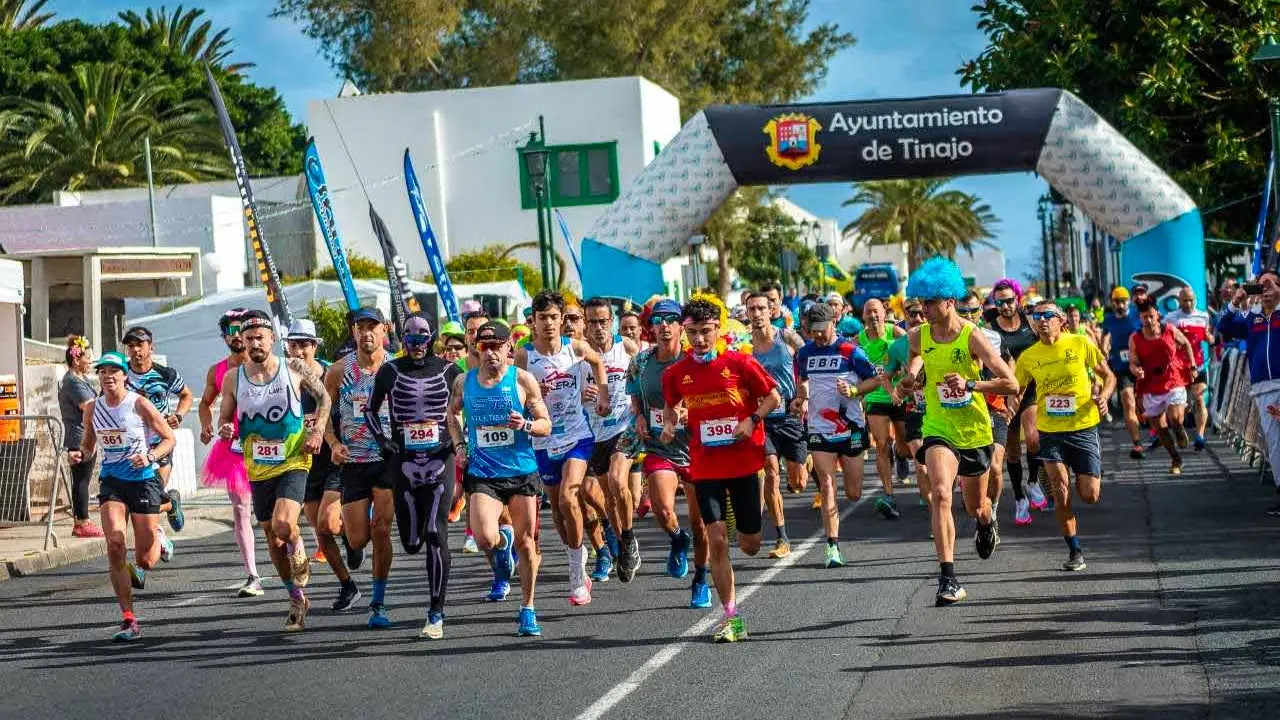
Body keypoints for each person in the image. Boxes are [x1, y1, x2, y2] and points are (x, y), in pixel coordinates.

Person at [660, 297, 781, 642]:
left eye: (706, 332)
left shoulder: (740, 363)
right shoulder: (676, 373)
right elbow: (671, 407)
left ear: (719, 330)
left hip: (744, 463)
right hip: (706, 467)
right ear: (684, 331)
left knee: (751, 545)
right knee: (715, 540)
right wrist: (670, 424)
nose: (699, 339)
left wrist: (752, 419)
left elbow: (773, 396)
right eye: (693, 332)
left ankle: (744, 522)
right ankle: (732, 617)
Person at [899, 257, 1017, 606]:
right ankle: (948, 578)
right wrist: (911, 377)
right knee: (940, 493)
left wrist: (970, 383)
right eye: (922, 303)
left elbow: (1009, 383)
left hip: (975, 429)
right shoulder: (918, 335)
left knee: (975, 506)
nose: (925, 309)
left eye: (932, 303)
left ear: (950, 300)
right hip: (938, 426)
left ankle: (986, 521)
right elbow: (917, 357)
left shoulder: (972, 336)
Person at [218, 310, 330, 631]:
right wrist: (225, 428)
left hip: (294, 459)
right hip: (259, 467)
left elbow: (324, 399)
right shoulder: (233, 378)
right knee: (271, 537)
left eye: (259, 337)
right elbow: (226, 418)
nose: (253, 343)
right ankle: (296, 597)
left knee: (284, 525)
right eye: (248, 338)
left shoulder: (294, 368)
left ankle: (298, 546)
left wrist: (318, 432)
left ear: (272, 339)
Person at [448, 321, 552, 636]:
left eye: (497, 346)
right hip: (483, 473)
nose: (491, 353)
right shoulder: (464, 382)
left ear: (509, 347)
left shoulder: (522, 380)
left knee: (527, 543)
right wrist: (460, 446)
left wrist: (526, 425)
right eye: (485, 347)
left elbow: (545, 424)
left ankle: (528, 607)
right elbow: (451, 415)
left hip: (521, 471)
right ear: (476, 350)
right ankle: (499, 546)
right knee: (483, 538)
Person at [365, 313, 461, 638]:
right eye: (411, 337)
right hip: (403, 463)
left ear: (431, 337)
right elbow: (369, 409)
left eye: (423, 337)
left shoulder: (449, 371)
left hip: (439, 461)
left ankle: (436, 612)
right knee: (410, 542)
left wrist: (460, 441)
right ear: (402, 339)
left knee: (435, 532)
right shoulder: (390, 371)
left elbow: (465, 405)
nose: (417, 344)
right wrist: (384, 441)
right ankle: (413, 537)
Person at [75, 351, 176, 641]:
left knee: (145, 562)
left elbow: (169, 438)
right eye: (102, 372)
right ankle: (129, 619)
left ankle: (158, 533)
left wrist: (150, 456)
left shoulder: (139, 404)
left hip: (143, 482)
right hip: (112, 482)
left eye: (113, 371)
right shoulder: (93, 408)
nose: (107, 376)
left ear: (124, 376)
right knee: (116, 545)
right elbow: (89, 446)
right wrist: (79, 454)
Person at [517, 290, 610, 606]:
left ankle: (575, 566)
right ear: (534, 322)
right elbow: (513, 391)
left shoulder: (577, 348)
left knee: (571, 495)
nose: (549, 324)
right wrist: (531, 394)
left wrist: (603, 396)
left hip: (577, 435)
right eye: (542, 318)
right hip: (544, 439)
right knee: (557, 507)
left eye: (554, 317)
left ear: (561, 319)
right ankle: (576, 552)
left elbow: (599, 364)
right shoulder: (523, 356)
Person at [1015, 300, 1115, 571]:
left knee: (1090, 495)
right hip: (1051, 431)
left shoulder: (1080, 344)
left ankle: (1091, 468)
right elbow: (1016, 389)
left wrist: (1104, 396)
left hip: (1083, 426)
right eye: (1037, 317)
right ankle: (1075, 551)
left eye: (1048, 315)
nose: (1042, 320)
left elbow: (1109, 376)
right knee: (1061, 491)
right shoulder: (1028, 356)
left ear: (1061, 319)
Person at [627, 298, 712, 608]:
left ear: (682, 326)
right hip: (659, 446)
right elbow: (634, 391)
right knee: (663, 509)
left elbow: (713, 399)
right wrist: (638, 416)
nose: (664, 325)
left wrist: (692, 413)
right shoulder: (642, 361)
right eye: (658, 320)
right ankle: (678, 539)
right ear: (651, 326)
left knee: (701, 522)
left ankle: (701, 579)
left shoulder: (696, 361)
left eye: (670, 319)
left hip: (696, 448)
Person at [794, 303, 884, 568]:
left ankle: (851, 487)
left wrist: (855, 390)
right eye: (813, 331)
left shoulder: (851, 351)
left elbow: (875, 380)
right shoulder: (804, 353)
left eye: (822, 330)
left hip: (850, 428)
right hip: (819, 428)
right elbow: (803, 381)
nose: (818, 336)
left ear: (834, 323)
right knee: (827, 484)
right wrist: (801, 399)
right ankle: (832, 546)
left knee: (854, 493)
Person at [324, 307, 396, 628]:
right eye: (360, 327)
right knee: (356, 540)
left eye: (373, 327)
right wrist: (332, 443)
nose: (367, 333)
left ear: (385, 330)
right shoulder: (339, 371)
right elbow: (324, 413)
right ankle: (358, 549)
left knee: (382, 527)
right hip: (353, 462)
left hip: (387, 461)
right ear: (353, 332)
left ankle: (378, 602)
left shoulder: (397, 367)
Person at [286, 319, 360, 611]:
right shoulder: (282, 379)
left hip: (333, 457)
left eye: (304, 344)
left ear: (314, 346)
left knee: (328, 522)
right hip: (302, 462)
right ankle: (347, 585)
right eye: (293, 344)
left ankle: (352, 542)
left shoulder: (332, 373)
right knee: (321, 533)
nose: (299, 350)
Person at [198, 309, 263, 597]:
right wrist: (208, 426)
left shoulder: (266, 365)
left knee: (271, 512)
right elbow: (204, 403)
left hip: (267, 444)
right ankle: (253, 574)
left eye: (241, 330)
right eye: (230, 330)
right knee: (240, 510)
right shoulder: (218, 371)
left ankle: (293, 551)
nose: (236, 335)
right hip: (233, 447)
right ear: (224, 336)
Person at [581, 297, 642, 581]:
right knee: (608, 497)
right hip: (594, 434)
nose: (598, 328)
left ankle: (627, 538)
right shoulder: (577, 355)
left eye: (603, 321)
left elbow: (644, 380)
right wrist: (581, 395)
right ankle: (622, 539)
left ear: (612, 322)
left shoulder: (626, 348)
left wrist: (641, 409)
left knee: (619, 482)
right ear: (585, 323)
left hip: (624, 426)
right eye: (591, 322)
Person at [745, 291, 806, 558]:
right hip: (762, 417)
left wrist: (804, 397)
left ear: (771, 310)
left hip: (790, 415)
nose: (757, 314)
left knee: (798, 482)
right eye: (752, 309)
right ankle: (782, 538)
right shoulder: (743, 344)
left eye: (761, 308)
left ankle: (807, 463)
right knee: (770, 472)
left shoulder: (788, 337)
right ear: (746, 313)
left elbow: (808, 363)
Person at [1217, 273, 1280, 514]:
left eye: (1270, 284)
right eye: (1260, 284)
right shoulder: (1251, 318)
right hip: (1264, 388)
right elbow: (1223, 326)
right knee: (1275, 443)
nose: (1264, 288)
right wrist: (1237, 299)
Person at [122, 326, 191, 540]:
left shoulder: (166, 374)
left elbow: (186, 395)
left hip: (161, 441)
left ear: (151, 347)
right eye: (130, 346)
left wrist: (178, 416)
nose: (135, 350)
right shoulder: (120, 374)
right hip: (132, 443)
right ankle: (169, 505)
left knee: (152, 494)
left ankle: (165, 510)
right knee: (140, 496)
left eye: (140, 345)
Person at [988, 279, 1048, 522]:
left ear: (1018, 299)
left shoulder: (1031, 322)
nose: (1005, 306)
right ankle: (1020, 499)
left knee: (1033, 440)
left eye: (1009, 300)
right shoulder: (990, 329)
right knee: (1011, 452)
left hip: (1031, 388)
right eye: (1000, 302)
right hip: (1005, 392)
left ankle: (1033, 481)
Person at [1130, 299, 1197, 474]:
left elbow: (1187, 344)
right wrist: (1137, 371)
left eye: (1151, 316)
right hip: (1151, 384)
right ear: (1140, 318)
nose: (1149, 320)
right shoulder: (1135, 338)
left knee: (1174, 418)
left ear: (1157, 315)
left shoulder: (1169, 329)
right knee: (1160, 428)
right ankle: (1175, 459)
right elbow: (1133, 362)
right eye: (1145, 317)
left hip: (1173, 378)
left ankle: (1180, 430)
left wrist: (1192, 365)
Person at [856, 298, 906, 520]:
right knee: (882, 444)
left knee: (905, 447)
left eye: (876, 312)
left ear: (884, 313)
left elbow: (913, 355)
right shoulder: (860, 340)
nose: (873, 316)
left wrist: (903, 376)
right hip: (876, 397)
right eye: (868, 313)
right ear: (863, 316)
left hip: (900, 396)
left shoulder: (895, 333)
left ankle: (902, 454)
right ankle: (889, 494)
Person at [59, 336, 102, 538]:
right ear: (77, 359)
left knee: (81, 479)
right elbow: (89, 407)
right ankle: (82, 521)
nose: (90, 363)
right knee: (81, 480)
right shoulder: (73, 382)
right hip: (79, 437)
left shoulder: (79, 380)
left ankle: (82, 520)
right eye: (88, 359)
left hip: (83, 435)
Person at [1164, 287, 1214, 451]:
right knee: (1181, 406)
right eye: (1185, 300)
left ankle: (1199, 435)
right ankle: (1179, 430)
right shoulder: (1170, 318)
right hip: (1178, 368)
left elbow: (1209, 338)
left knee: (1199, 398)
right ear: (1178, 301)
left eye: (1191, 300)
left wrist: (1209, 338)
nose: (1188, 303)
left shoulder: (1203, 316)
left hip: (1198, 364)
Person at [1100, 286, 1146, 459]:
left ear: (1128, 301)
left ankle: (1152, 427)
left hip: (1142, 366)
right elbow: (1104, 337)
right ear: (1112, 303)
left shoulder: (1137, 316)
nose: (1120, 304)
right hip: (1122, 368)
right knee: (1128, 401)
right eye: (1116, 301)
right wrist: (1104, 349)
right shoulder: (1109, 320)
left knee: (1143, 404)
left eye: (1123, 301)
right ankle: (1137, 443)